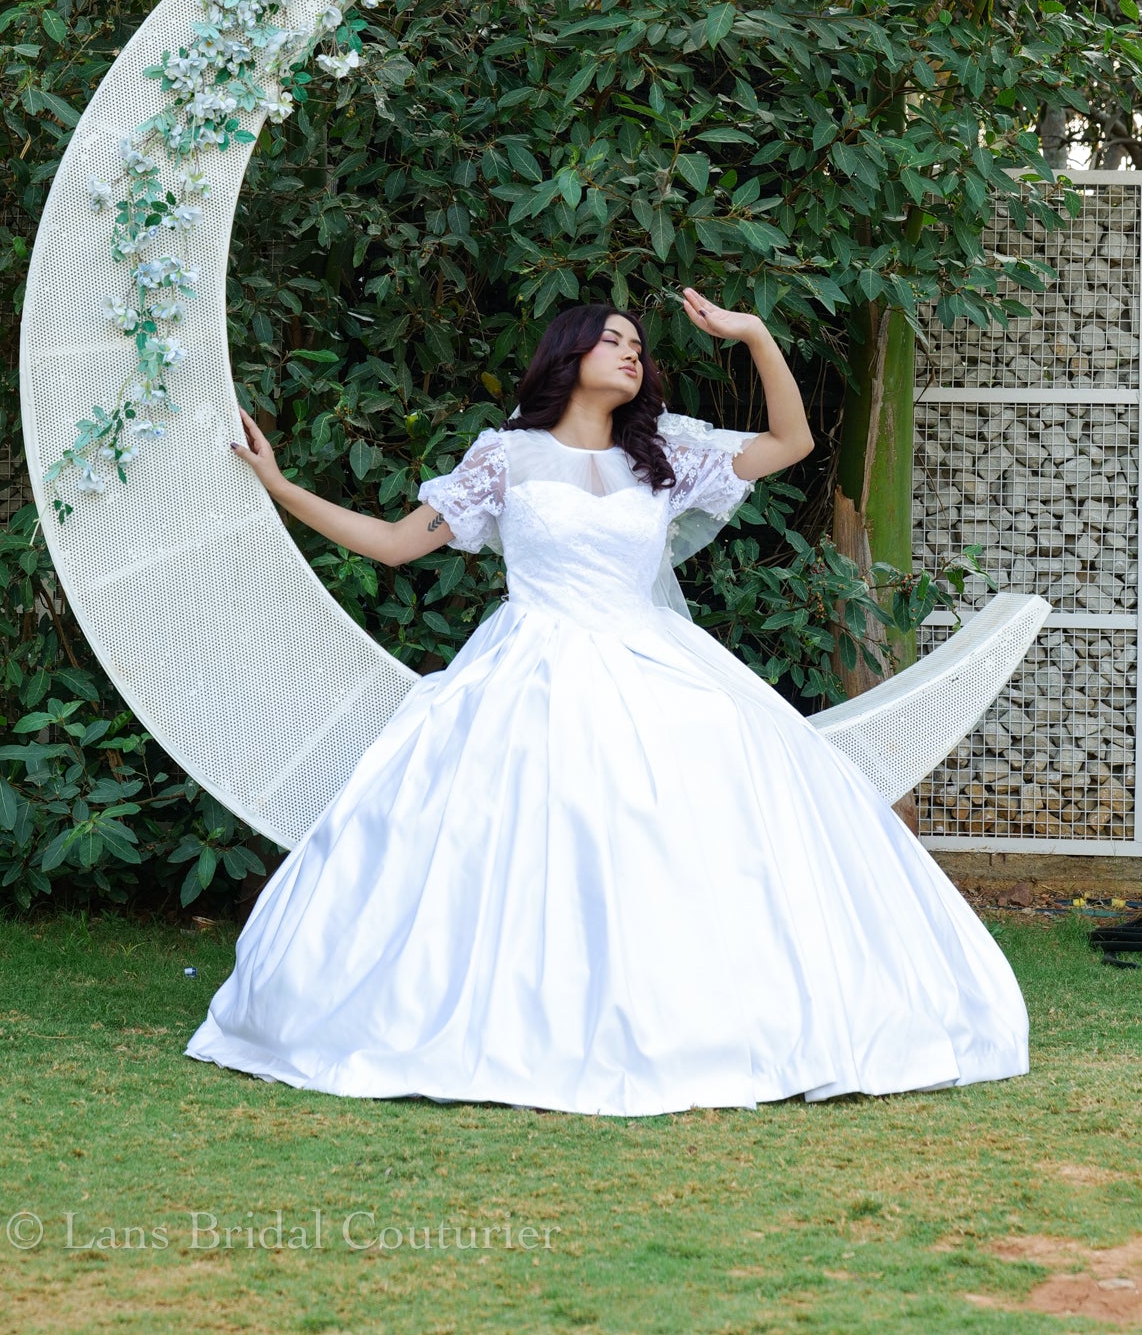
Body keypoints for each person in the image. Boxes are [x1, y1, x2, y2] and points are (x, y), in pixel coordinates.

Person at [186, 286, 1028, 1113]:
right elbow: (399, 546)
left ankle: (696, 1020)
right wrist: (284, 488)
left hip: (655, 661)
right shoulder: (504, 457)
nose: (633, 353)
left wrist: (755, 334)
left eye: (639, 346)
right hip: (529, 670)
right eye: (615, 340)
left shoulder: (660, 455)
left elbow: (792, 440)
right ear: (570, 353)